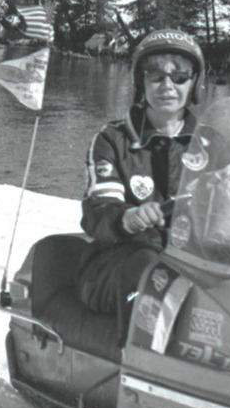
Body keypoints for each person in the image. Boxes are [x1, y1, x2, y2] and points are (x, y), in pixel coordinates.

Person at [75, 28, 206, 325]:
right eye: (156, 75)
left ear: (195, 82)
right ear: (141, 81)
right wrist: (126, 218)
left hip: (192, 261)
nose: (167, 85)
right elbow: (98, 210)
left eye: (180, 76)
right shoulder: (113, 139)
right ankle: (138, 364)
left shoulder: (212, 143)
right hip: (116, 261)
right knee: (151, 271)